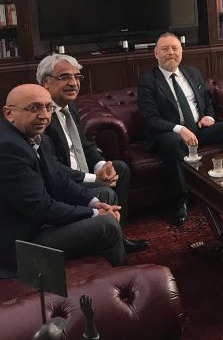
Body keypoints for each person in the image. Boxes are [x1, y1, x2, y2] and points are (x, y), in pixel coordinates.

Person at [0, 84, 126, 278]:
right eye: (34, 108)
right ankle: (122, 280)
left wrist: (94, 203)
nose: (44, 115)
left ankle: (102, 273)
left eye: (48, 107)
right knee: (106, 225)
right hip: (22, 241)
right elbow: (41, 208)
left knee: (103, 196)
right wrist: (94, 213)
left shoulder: (37, 136)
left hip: (38, 222)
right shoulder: (8, 148)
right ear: (9, 113)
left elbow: (59, 180)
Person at [37, 54, 149, 254]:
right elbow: (52, 168)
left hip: (80, 171)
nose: (74, 83)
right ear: (45, 82)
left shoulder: (69, 106)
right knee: (106, 191)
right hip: (62, 182)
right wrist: (93, 178)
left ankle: (118, 235)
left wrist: (102, 166)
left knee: (120, 168)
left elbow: (86, 144)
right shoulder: (41, 115)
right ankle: (108, 240)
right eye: (65, 77)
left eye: (77, 77)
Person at [137, 32, 223, 225]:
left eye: (175, 48)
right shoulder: (148, 81)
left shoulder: (192, 73)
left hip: (198, 129)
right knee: (172, 142)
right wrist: (179, 129)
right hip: (168, 133)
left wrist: (208, 116)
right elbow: (150, 118)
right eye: (165, 49)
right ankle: (181, 200)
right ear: (156, 54)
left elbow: (207, 101)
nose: (170, 53)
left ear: (181, 51)